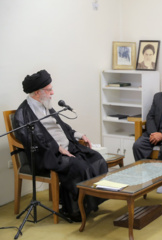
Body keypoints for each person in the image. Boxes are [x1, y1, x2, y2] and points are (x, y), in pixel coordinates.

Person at [14, 70, 108, 222]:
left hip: (67, 148)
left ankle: (89, 205)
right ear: (38, 92)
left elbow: (62, 126)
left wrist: (79, 135)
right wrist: (57, 148)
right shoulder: (23, 113)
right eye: (49, 89)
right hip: (47, 154)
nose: (52, 92)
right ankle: (74, 210)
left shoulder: (46, 105)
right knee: (79, 167)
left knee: (97, 159)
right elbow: (30, 139)